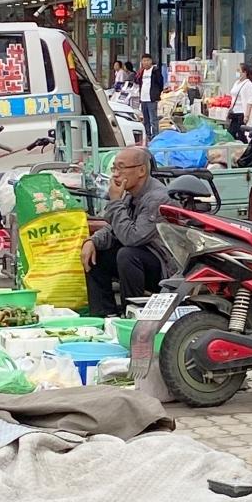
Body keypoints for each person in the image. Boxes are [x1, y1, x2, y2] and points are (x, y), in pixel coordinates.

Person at [81, 146, 174, 316]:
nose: (115, 174)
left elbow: (132, 238)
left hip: (165, 268)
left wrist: (115, 201)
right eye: (114, 168)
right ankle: (104, 315)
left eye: (121, 168)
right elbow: (114, 228)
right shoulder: (131, 194)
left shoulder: (157, 198)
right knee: (95, 254)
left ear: (141, 170)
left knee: (127, 254)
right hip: (141, 259)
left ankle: (130, 314)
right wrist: (92, 241)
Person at [136, 53, 164, 140]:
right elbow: (137, 81)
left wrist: (156, 94)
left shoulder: (155, 71)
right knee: (146, 119)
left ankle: (155, 136)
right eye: (144, 61)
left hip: (151, 99)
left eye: (147, 60)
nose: (146, 62)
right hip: (143, 98)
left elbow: (160, 83)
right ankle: (147, 136)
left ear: (151, 61)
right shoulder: (141, 72)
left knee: (153, 119)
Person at [228, 63, 252, 141]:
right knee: (231, 134)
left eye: (239, 70)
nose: (237, 72)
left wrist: (246, 116)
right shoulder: (236, 83)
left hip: (241, 113)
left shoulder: (248, 84)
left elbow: (250, 101)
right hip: (234, 112)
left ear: (244, 72)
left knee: (240, 135)